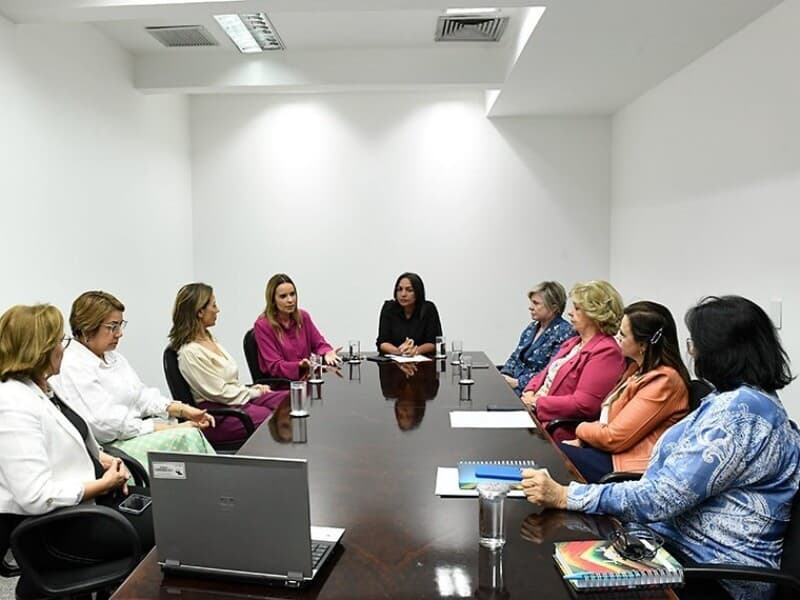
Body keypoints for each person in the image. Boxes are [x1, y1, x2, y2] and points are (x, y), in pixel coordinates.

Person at [521, 296, 800, 600]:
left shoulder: (740, 413)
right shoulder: (747, 401)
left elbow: (661, 498)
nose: (692, 351)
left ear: (720, 350)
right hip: (677, 552)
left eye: (696, 343)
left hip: (712, 575)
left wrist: (566, 495)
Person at [0, 304, 153, 573]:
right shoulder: (12, 404)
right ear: (39, 349)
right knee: (176, 527)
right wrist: (102, 484)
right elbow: (35, 497)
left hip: (90, 509)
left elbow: (74, 439)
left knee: (177, 509)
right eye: (60, 341)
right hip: (59, 533)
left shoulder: (42, 388)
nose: (64, 348)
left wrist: (105, 459)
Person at [50, 291, 215, 472]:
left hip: (132, 433)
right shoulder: (73, 365)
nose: (119, 334)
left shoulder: (114, 358)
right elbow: (104, 425)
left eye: (120, 325)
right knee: (187, 437)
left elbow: (140, 395)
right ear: (87, 328)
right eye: (112, 327)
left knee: (188, 433)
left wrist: (182, 409)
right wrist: (161, 428)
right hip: (111, 449)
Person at [558, 301, 691, 483]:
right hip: (610, 453)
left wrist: (580, 429)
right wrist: (585, 439)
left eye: (623, 334)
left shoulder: (664, 381)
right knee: (549, 452)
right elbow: (610, 420)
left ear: (643, 345)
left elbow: (613, 437)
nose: (617, 337)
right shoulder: (637, 369)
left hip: (624, 467)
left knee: (550, 454)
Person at [169, 283, 287, 444]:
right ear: (200, 312)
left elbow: (226, 384)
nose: (218, 310)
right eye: (214, 305)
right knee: (275, 419)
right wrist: (254, 393)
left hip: (234, 400)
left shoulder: (209, 339)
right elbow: (219, 392)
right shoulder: (189, 353)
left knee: (291, 401)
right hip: (219, 416)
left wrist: (251, 389)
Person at [521, 280, 626, 442]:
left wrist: (537, 402)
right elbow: (543, 374)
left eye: (577, 309)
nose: (569, 312)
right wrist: (529, 391)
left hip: (555, 429)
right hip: (534, 415)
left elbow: (584, 404)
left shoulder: (606, 351)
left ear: (595, 315)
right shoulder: (573, 342)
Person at [254, 273, 341, 380]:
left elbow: (319, 344)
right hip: (283, 385)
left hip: (307, 379)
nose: (290, 300)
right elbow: (274, 366)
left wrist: (327, 352)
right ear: (272, 300)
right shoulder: (262, 326)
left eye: (292, 294)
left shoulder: (303, 316)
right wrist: (298, 365)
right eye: (283, 296)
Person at [500, 281, 575, 395]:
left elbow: (551, 371)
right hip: (513, 384)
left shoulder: (565, 332)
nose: (530, 307)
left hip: (533, 391)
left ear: (554, 307)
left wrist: (518, 382)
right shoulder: (532, 327)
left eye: (536, 303)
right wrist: (504, 376)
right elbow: (515, 356)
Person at [377, 272, 442, 356]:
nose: (403, 294)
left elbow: (433, 343)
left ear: (418, 292)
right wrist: (399, 351)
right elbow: (382, 342)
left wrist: (415, 350)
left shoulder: (428, 309)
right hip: (393, 362)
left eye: (409, 290)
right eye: (399, 289)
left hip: (423, 363)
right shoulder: (388, 308)